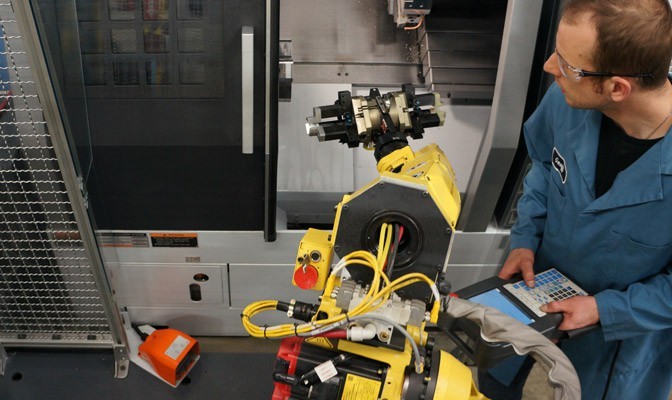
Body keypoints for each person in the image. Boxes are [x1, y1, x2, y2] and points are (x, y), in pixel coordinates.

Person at [478, 0, 672, 399]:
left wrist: (604, 310)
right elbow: (543, 167)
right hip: (536, 290)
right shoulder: (566, 102)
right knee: (494, 381)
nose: (550, 67)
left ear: (617, 88)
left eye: (568, 65)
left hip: (619, 340)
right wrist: (525, 239)